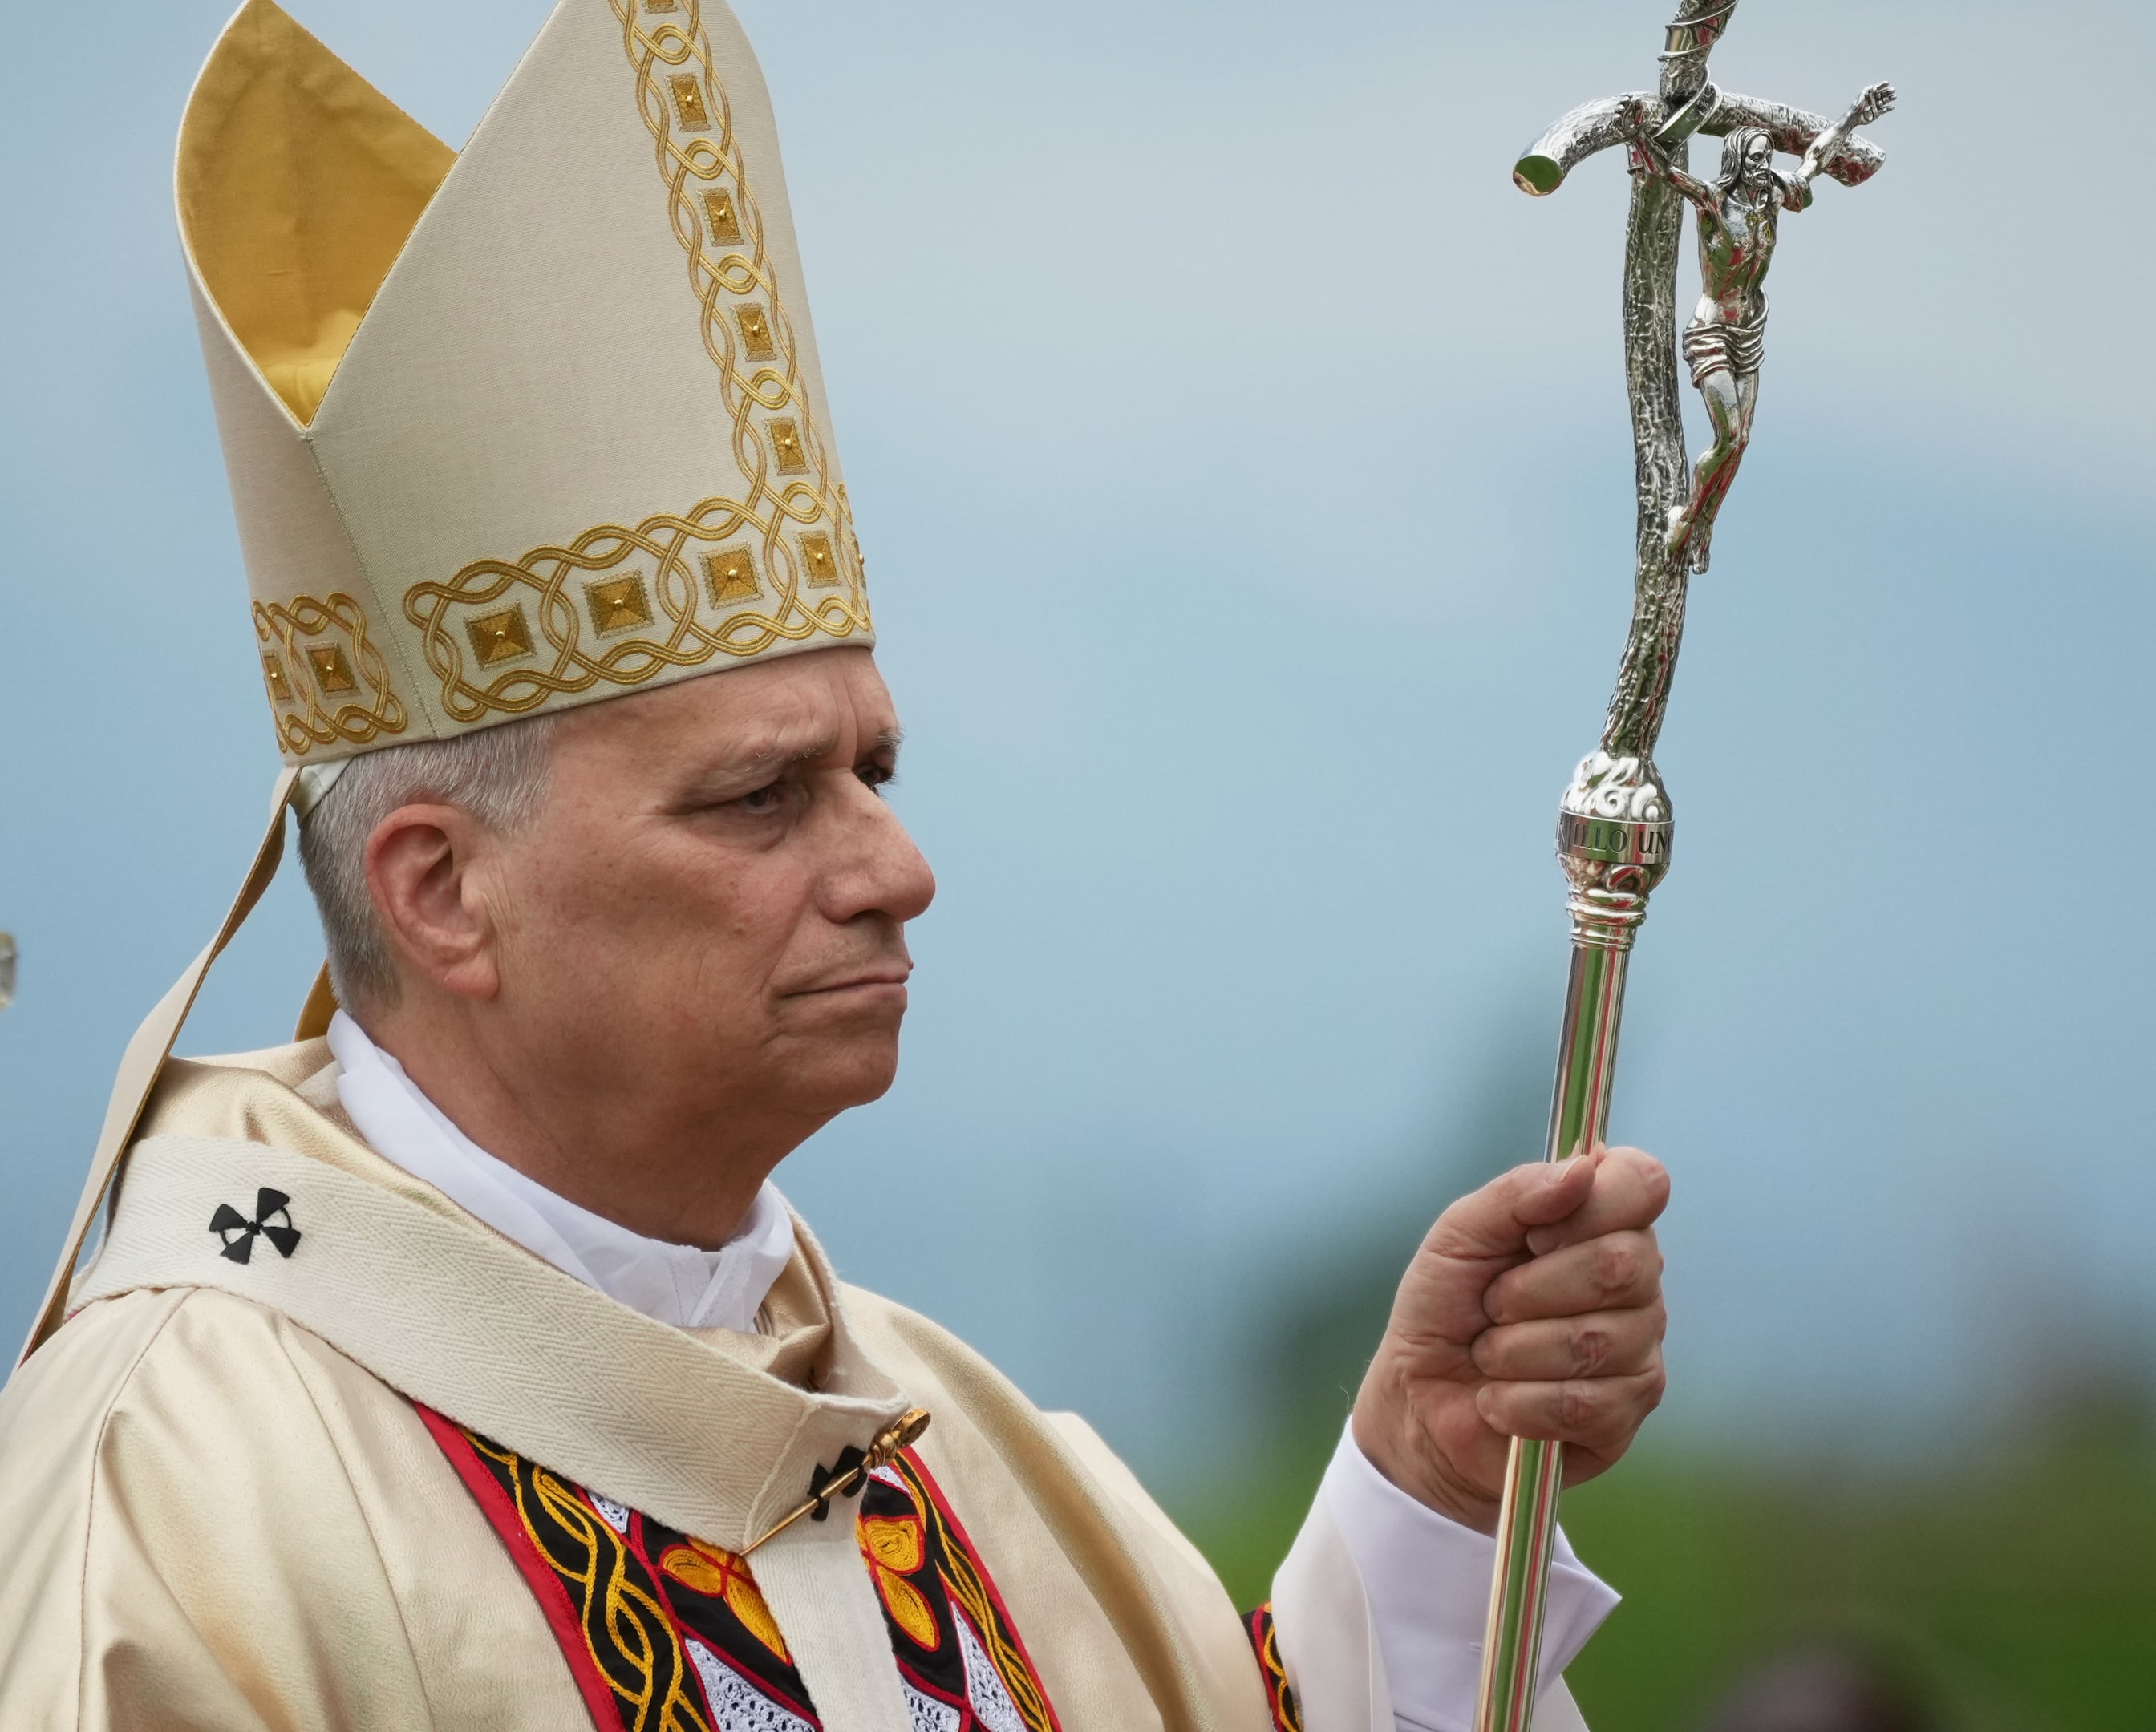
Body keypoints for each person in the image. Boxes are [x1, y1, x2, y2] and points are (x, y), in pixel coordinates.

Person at [0, 4, 1671, 1730]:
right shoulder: (183, 1491)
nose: (900, 867)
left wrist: (1435, 1491)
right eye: (760, 800)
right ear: (439, 891)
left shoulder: (956, 1441)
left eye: (874, 768)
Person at [1623, 83, 1894, 573]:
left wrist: (1853, 118)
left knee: (1741, 441)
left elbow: (1816, 157)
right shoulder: (1713, 201)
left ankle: (1705, 526)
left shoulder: (1774, 198)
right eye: (1753, 159)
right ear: (1734, 161)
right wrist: (1639, 135)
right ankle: (1686, 518)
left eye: (1766, 157)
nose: (1761, 167)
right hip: (1713, 331)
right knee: (1727, 436)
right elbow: (1667, 174)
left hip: (1751, 330)